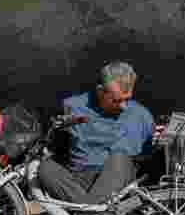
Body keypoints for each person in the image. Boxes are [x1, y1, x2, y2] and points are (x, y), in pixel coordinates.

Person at [37, 61, 163, 203]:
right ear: (100, 91)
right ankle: (91, 212)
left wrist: (158, 142)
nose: (123, 106)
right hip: (78, 180)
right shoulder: (72, 107)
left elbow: (147, 156)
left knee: (120, 157)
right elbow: (57, 145)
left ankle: (88, 213)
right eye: (116, 100)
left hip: (116, 181)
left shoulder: (141, 115)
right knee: (46, 168)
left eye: (127, 99)